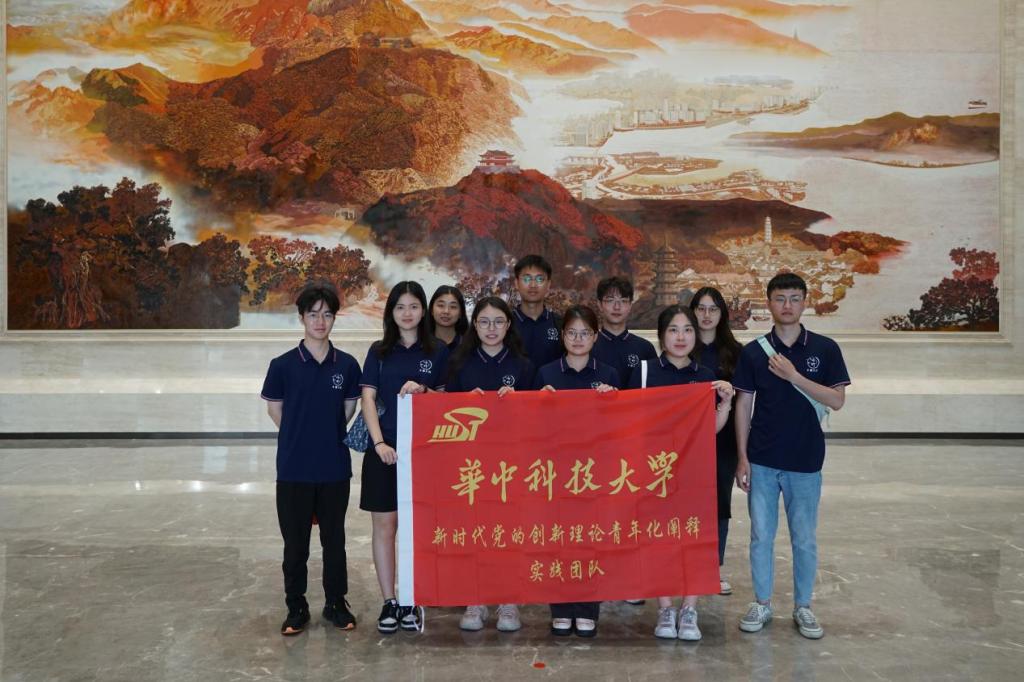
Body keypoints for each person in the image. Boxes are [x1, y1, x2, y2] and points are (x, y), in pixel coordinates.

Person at [733, 273, 850, 640]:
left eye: (795, 298)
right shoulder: (753, 352)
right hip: (762, 459)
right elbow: (743, 405)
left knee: (804, 539)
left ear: (805, 302)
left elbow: (836, 400)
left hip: (805, 460)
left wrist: (794, 375)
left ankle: (803, 606)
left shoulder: (825, 349)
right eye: (780, 298)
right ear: (768, 303)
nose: (787, 305)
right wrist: (742, 457)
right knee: (760, 536)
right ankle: (762, 602)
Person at [626, 304, 734, 641]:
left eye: (687, 329)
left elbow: (709, 429)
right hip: (654, 472)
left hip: (693, 472)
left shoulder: (705, 376)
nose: (681, 337)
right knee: (657, 539)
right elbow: (627, 421)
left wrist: (726, 403)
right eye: (673, 329)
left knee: (693, 539)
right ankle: (665, 608)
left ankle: (689, 609)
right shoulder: (644, 372)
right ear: (661, 336)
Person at [260, 284, 362, 635]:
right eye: (313, 314)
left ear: (335, 318)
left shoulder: (347, 365)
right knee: (295, 544)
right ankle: (296, 606)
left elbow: (348, 409)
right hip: (294, 468)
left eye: (327, 314)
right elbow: (275, 410)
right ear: (301, 317)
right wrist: (300, 436)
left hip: (334, 467)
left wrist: (321, 434)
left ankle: (336, 603)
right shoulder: (282, 365)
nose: (320, 321)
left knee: (334, 541)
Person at [359, 281, 450, 634]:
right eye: (400, 307)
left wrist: (424, 390)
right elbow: (368, 399)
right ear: (391, 312)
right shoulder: (378, 351)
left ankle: (412, 599)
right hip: (385, 451)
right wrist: (379, 443)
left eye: (413, 306)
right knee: (385, 527)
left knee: (418, 529)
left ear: (423, 311)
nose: (407, 313)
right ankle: (389, 600)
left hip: (425, 455)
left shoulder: (438, 351)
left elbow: (446, 402)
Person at [446, 296, 535, 633]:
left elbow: (539, 416)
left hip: (512, 464)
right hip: (471, 464)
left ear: (508, 325)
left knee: (509, 533)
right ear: (475, 325)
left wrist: (519, 402)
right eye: (484, 322)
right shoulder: (460, 363)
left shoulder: (523, 366)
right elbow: (444, 413)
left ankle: (508, 601)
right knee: (476, 532)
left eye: (498, 321)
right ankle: (476, 599)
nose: (491, 328)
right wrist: (463, 403)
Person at [534, 305, 619, 638]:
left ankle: (586, 609)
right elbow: (528, 426)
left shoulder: (609, 375)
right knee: (558, 541)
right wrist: (538, 401)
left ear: (595, 337)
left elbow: (622, 427)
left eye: (585, 333)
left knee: (589, 541)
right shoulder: (546, 374)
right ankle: (560, 608)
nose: (578, 339)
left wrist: (614, 400)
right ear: (563, 336)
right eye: (572, 332)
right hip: (555, 472)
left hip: (594, 473)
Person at [690, 286, 744, 597]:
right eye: (701, 308)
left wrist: (743, 452)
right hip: (686, 442)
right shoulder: (682, 347)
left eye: (713, 309)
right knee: (685, 501)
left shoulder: (736, 353)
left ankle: (713, 568)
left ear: (722, 314)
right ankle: (684, 566)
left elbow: (745, 404)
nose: (707, 315)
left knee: (719, 503)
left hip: (723, 441)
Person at [593, 276, 657, 389]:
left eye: (623, 301)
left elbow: (655, 389)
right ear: (599, 304)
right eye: (610, 300)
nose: (617, 307)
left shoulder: (645, 348)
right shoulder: (587, 346)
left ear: (630, 306)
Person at [511, 255, 563, 370]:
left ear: (548, 285)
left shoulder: (560, 324)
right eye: (526, 279)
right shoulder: (506, 324)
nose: (533, 285)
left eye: (540, 279)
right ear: (516, 283)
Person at [428, 284, 468, 351]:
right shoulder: (420, 344)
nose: (446, 311)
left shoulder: (468, 345)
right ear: (431, 310)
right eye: (441, 305)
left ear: (460, 313)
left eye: (453, 307)